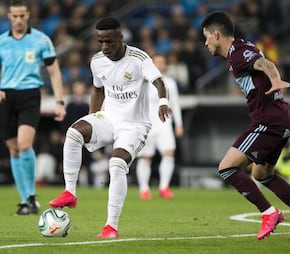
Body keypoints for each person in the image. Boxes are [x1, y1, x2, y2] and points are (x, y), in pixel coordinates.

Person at [49, 17, 171, 239]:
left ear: (120, 38)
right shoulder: (97, 61)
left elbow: (158, 80)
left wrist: (163, 101)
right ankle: (69, 192)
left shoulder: (138, 58)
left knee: (116, 164)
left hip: (134, 125)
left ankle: (111, 227)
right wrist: (93, 117)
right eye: (100, 42)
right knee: (74, 132)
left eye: (109, 42)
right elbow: (98, 90)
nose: (104, 47)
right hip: (110, 117)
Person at [201, 11, 290, 240]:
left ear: (216, 34)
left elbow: (263, 62)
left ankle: (269, 212)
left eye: (206, 37)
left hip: (268, 121)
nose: (205, 43)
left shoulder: (237, 53)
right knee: (262, 173)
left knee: (226, 168)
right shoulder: (239, 50)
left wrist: (275, 80)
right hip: (280, 117)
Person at [0, 0, 66, 215]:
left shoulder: (40, 40)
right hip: (5, 96)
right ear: (9, 17)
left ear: (28, 15)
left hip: (29, 95)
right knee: (13, 149)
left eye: (22, 16)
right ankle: (25, 200)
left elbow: (54, 72)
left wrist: (59, 101)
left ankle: (31, 196)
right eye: (14, 16)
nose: (18, 20)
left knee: (24, 144)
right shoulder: (2, 42)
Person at [136, 54, 184, 200]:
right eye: (156, 62)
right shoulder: (144, 83)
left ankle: (164, 187)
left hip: (165, 124)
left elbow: (174, 104)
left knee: (169, 153)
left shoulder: (170, 83)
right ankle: (144, 188)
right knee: (145, 157)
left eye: (162, 62)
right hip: (148, 125)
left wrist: (179, 124)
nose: (159, 65)